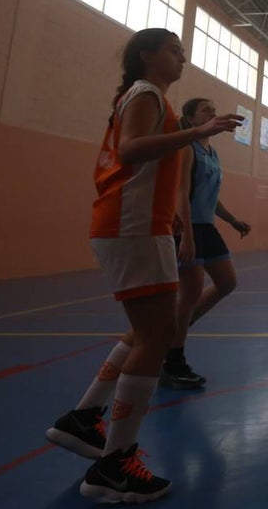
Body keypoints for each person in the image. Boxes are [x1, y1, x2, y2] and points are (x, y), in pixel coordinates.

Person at [45, 28, 241, 503]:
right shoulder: (148, 93)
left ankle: (84, 417)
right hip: (131, 225)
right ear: (146, 56)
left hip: (141, 224)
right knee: (156, 336)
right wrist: (197, 132)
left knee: (144, 331)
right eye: (174, 49)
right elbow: (131, 149)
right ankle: (115, 463)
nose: (182, 56)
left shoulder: (155, 98)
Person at [163, 97, 252, 389]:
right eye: (206, 111)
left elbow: (211, 199)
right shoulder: (187, 149)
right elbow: (181, 193)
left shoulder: (212, 153)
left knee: (227, 282)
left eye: (215, 109)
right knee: (190, 293)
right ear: (190, 119)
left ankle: (175, 329)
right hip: (188, 228)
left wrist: (233, 220)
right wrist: (186, 235)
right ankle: (173, 362)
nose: (213, 114)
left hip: (208, 227)